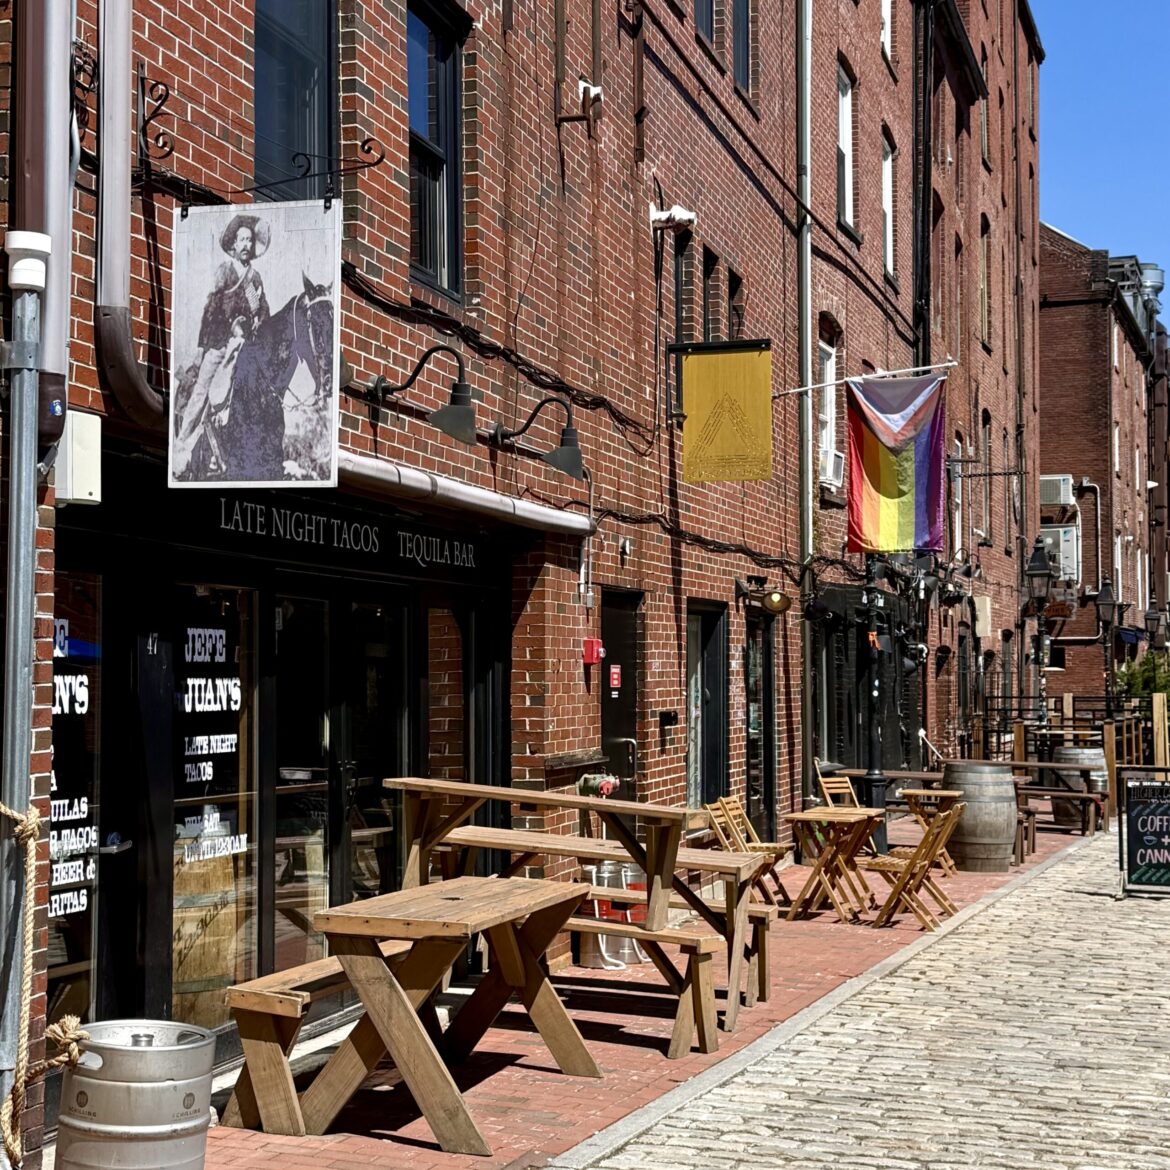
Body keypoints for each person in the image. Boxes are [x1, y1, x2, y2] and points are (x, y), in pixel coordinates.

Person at [173, 214, 271, 477]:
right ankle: (182, 446)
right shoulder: (225, 272)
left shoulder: (255, 278)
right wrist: (204, 346)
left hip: (243, 344)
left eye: (250, 240)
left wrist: (258, 321)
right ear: (234, 244)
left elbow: (263, 310)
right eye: (242, 240)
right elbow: (212, 308)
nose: (246, 245)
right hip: (220, 342)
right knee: (202, 390)